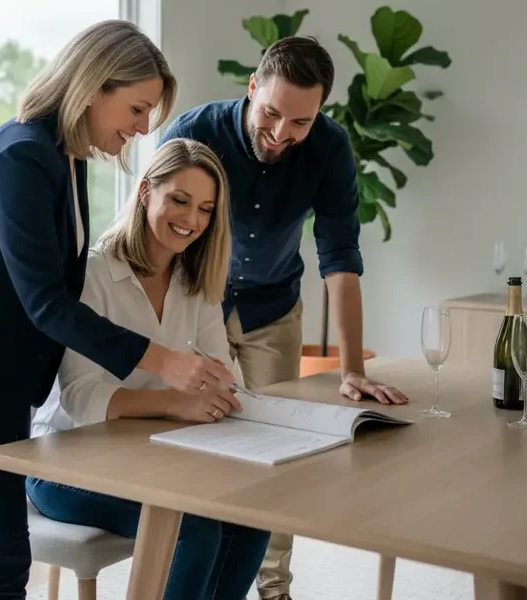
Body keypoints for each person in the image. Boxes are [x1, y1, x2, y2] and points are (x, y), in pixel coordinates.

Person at [0, 20, 236, 600]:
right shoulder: (21, 157)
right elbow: (46, 302)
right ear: (95, 86)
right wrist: (165, 362)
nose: (144, 127)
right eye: (138, 108)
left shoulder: (61, 157)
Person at [159, 36, 409, 600]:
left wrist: (351, 368)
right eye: (271, 113)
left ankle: (274, 588)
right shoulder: (195, 132)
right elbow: (156, 233)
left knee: (279, 456)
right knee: (196, 440)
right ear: (252, 87)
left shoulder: (330, 147)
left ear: (319, 112)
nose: (279, 133)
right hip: (198, 302)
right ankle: (186, 575)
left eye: (299, 121)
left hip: (274, 307)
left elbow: (340, 254)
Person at [28, 138, 271, 600]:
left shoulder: (196, 281)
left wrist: (217, 383)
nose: (192, 220)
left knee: (250, 517)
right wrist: (175, 403)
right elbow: (81, 397)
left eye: (205, 209)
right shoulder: (95, 273)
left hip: (150, 457)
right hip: (64, 465)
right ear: (145, 192)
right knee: (193, 526)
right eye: (179, 200)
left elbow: (223, 376)